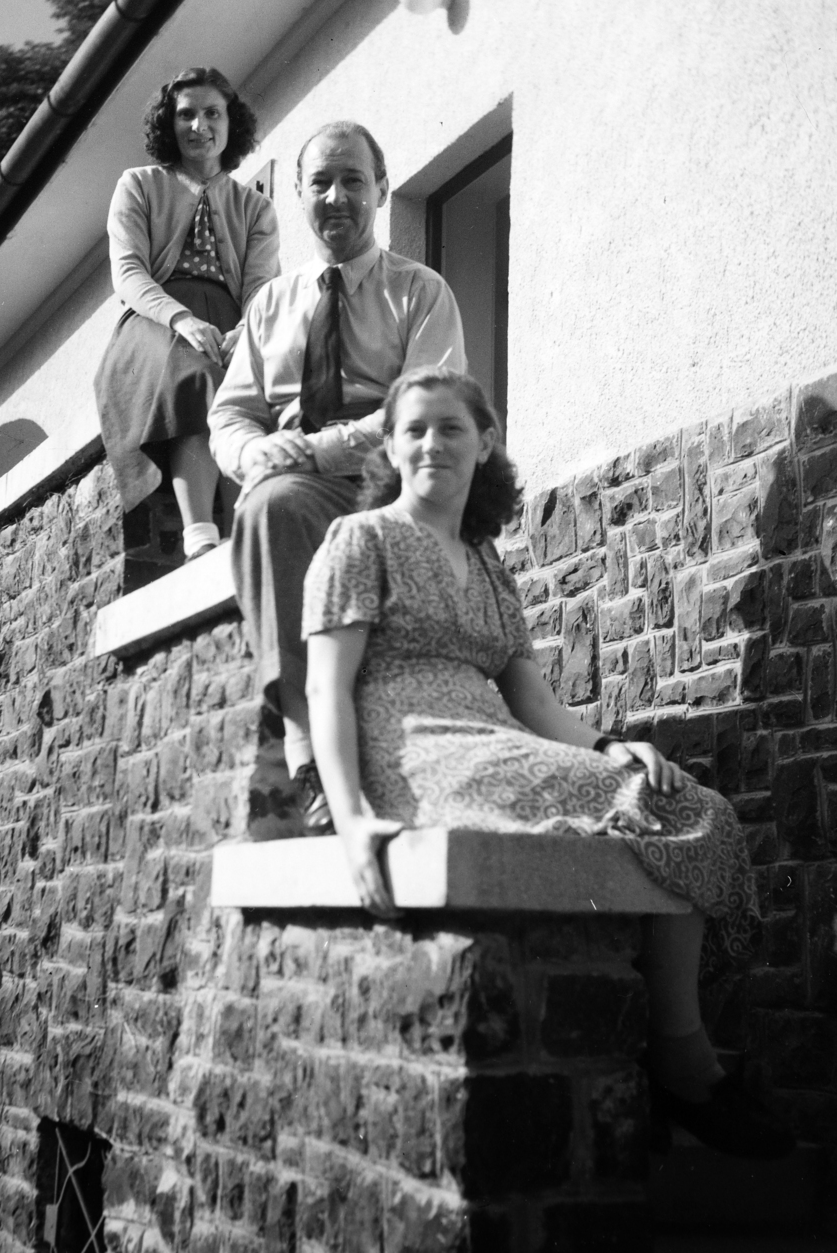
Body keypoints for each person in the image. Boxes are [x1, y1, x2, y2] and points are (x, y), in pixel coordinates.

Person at [301, 365, 793, 1158]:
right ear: (390, 446)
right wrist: (352, 816)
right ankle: (686, 1066)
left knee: (690, 802)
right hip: (417, 747)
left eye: (450, 427)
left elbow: (532, 699)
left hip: (500, 741)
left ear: (484, 441)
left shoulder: (489, 564)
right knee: (662, 811)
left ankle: (674, 1044)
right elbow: (328, 687)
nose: (432, 443)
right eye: (414, 429)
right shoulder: (360, 541)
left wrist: (607, 746)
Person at [208, 121, 466, 828]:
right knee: (270, 503)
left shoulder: (420, 292)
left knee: (279, 504)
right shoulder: (269, 306)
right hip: (292, 479)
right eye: (320, 181)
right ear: (298, 195)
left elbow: (426, 406)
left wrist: (320, 450)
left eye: (353, 179)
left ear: (382, 190)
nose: (337, 196)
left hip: (388, 477)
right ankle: (308, 753)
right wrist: (255, 454)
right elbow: (230, 414)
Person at [94, 67, 279, 559]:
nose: (200, 126)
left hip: (234, 325)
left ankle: (247, 533)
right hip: (156, 323)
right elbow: (129, 273)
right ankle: (200, 535)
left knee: (257, 394)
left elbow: (263, 286)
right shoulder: (138, 185)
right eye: (186, 115)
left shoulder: (254, 207)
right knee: (197, 377)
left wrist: (245, 331)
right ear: (167, 125)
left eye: (212, 113)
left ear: (230, 123)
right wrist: (181, 319)